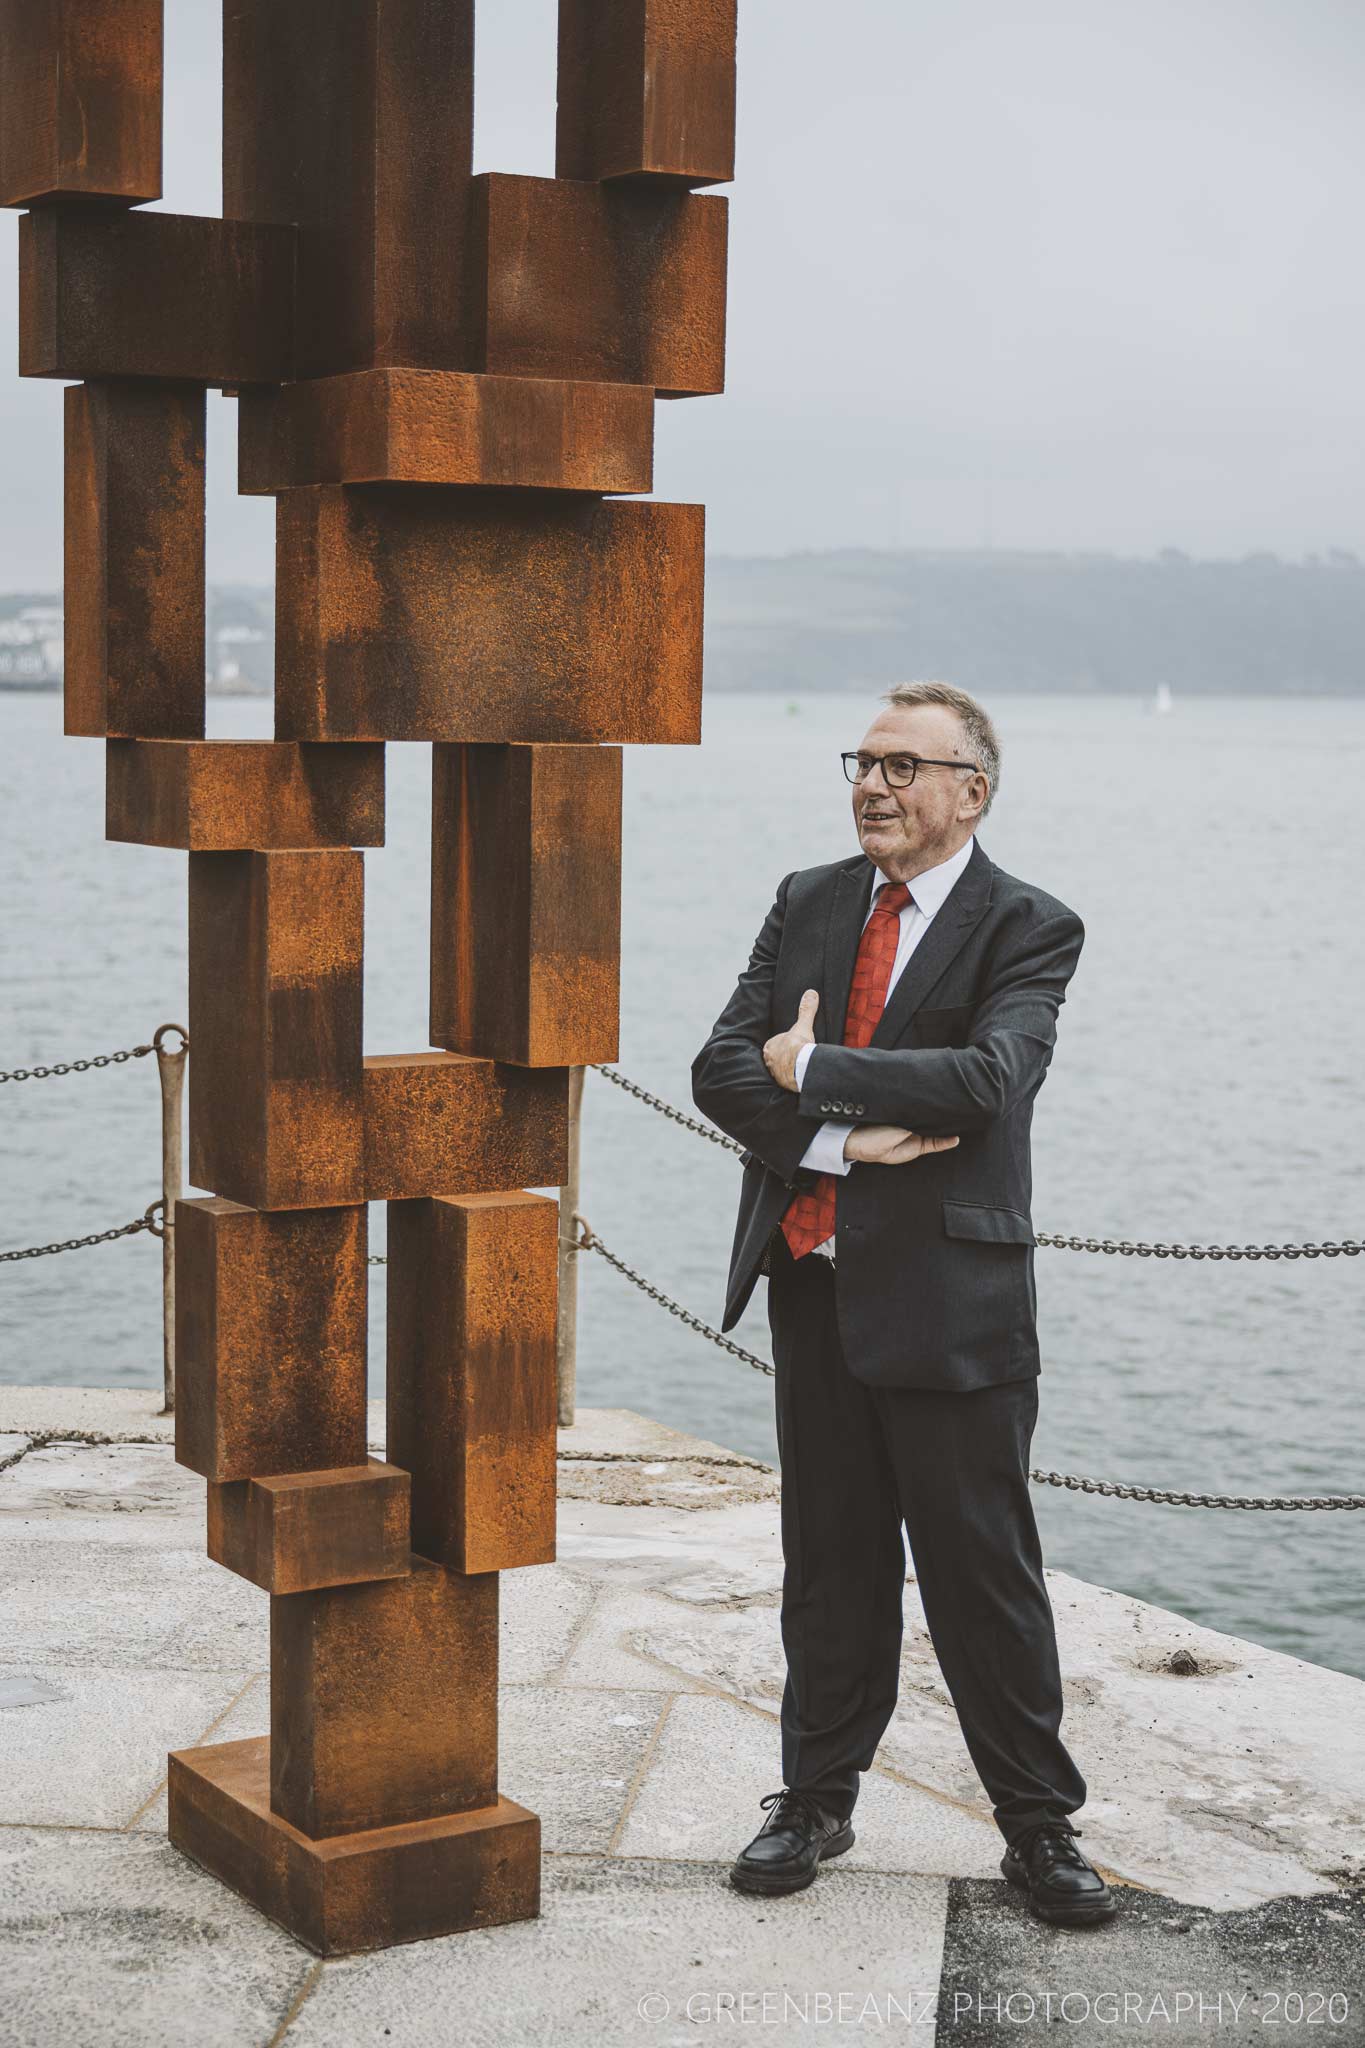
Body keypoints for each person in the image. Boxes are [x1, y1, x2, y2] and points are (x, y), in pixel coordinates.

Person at [690, 680, 1115, 1929]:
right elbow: (719, 1065)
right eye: (860, 762)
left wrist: (814, 1067)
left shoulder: (1031, 925)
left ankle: (1039, 1826)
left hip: (952, 1306)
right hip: (812, 1287)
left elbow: (989, 1078)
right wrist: (843, 1142)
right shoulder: (808, 899)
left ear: (969, 790)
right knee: (828, 1561)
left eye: (900, 766)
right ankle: (814, 1798)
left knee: (984, 1572)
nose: (871, 785)